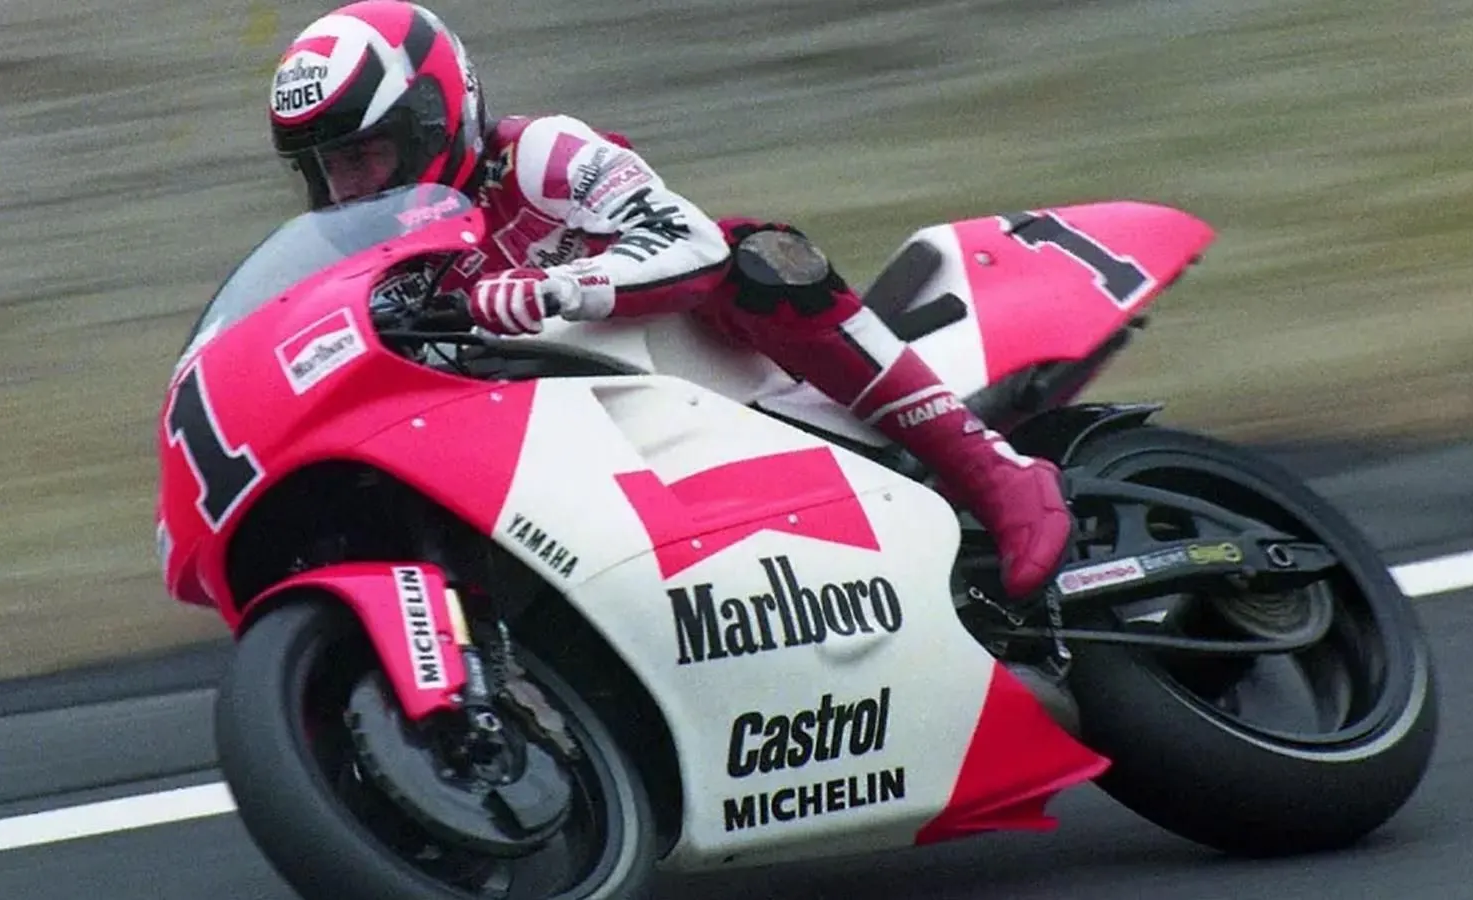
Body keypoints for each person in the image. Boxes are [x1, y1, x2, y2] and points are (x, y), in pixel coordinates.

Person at [266, 0, 1074, 607]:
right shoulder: (386, 263)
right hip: (575, 453)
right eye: (333, 168)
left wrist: (560, 288)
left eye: (366, 154)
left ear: (432, 119)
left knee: (757, 255)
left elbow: (691, 242)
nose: (352, 187)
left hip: (708, 376)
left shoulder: (537, 154)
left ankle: (994, 471)